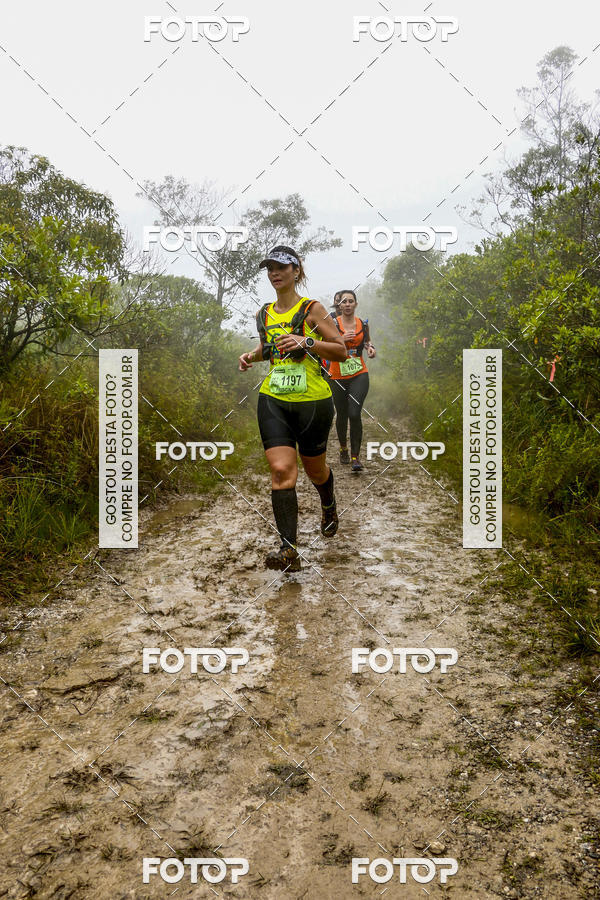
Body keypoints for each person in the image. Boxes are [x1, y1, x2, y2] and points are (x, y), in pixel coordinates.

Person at [238, 246, 347, 572]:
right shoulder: (265, 313)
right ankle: (289, 551)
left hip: (313, 402)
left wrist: (307, 342)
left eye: (281, 267)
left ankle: (328, 503)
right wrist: (250, 357)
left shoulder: (312, 309)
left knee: (315, 470)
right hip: (274, 400)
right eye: (270, 267)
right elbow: (268, 349)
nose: (275, 273)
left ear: (296, 271)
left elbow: (341, 350)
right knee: (282, 471)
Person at [328, 290, 376, 472]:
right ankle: (343, 449)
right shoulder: (332, 324)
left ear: (356, 304)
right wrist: (340, 339)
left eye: (351, 301)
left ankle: (356, 458)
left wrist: (371, 349)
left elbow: (367, 342)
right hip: (337, 375)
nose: (347, 304)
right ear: (339, 306)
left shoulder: (362, 324)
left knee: (354, 413)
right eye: (344, 302)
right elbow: (324, 345)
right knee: (341, 413)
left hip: (359, 373)